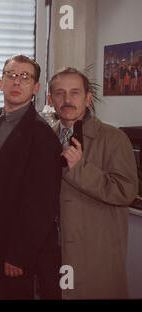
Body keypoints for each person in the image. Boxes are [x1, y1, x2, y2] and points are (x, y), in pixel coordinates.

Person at [0, 55, 62, 299]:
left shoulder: (42, 136)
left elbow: (41, 205)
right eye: (11, 75)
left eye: (25, 77)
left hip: (10, 246)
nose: (16, 82)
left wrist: (19, 254)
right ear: (1, 83)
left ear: (35, 88)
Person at [48, 67, 138, 299]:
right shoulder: (46, 136)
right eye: (59, 93)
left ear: (88, 98)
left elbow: (125, 192)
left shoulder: (113, 138)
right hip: (54, 252)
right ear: (50, 99)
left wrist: (80, 170)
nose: (67, 100)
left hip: (95, 255)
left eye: (75, 93)